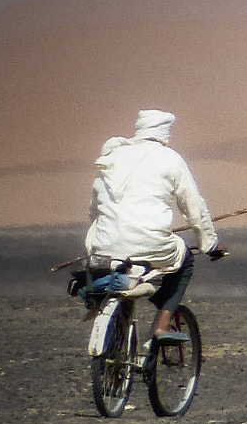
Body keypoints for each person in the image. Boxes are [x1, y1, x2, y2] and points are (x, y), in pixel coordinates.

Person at [86, 109, 224, 338]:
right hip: (151, 245)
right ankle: (163, 323)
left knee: (104, 252)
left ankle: (96, 302)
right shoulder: (170, 159)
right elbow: (194, 208)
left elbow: (94, 209)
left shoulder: (111, 157)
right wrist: (209, 244)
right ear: (165, 132)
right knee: (185, 261)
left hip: (105, 248)